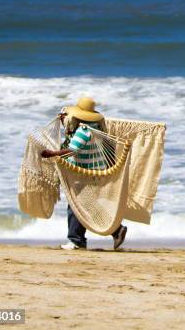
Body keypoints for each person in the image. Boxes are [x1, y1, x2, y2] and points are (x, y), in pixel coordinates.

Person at [41, 97, 128, 251]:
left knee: (76, 206)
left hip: (84, 173)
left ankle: (76, 240)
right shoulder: (96, 127)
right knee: (87, 205)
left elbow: (73, 150)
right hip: (94, 172)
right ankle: (115, 230)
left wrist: (52, 153)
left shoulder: (83, 130)